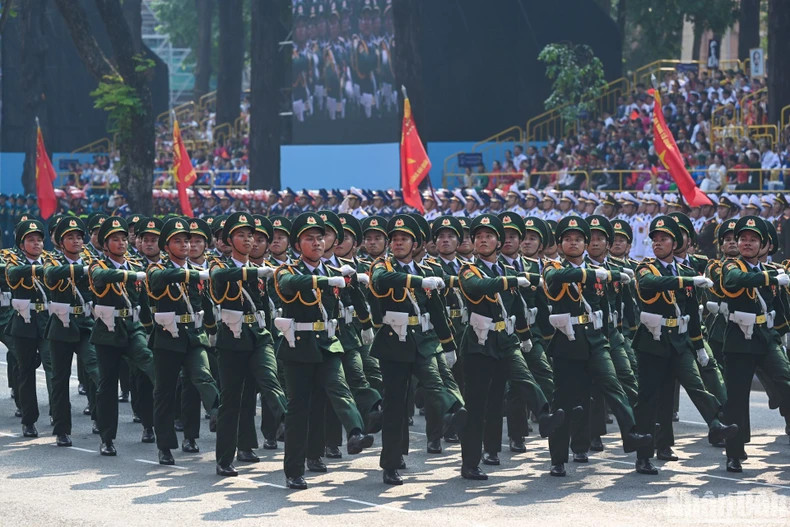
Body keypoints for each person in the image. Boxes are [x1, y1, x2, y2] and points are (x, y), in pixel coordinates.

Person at [542, 215, 652, 477]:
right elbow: (560, 277)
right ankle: (558, 458)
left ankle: (632, 434)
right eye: (567, 239)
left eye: (578, 239)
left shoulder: (599, 274)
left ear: (585, 243)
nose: (573, 243)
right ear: (559, 243)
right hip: (567, 344)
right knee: (565, 401)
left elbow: (604, 307)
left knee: (615, 387)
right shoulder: (551, 266)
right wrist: (595, 273)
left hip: (595, 339)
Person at [273, 212, 375, 489]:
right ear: (297, 245)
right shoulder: (287, 270)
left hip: (329, 343)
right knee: (300, 408)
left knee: (338, 388)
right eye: (309, 239)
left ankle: (354, 433)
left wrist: (366, 322)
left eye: (320, 238)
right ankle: (294, 470)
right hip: (298, 346)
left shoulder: (334, 271)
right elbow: (288, 286)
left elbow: (353, 296)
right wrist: (324, 281)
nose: (317, 243)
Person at [457, 213, 563, 480]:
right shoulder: (469, 270)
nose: (483, 240)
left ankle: (544, 416)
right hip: (479, 344)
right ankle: (470, 462)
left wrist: (526, 336)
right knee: (479, 404)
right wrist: (512, 280)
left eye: (489, 236)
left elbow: (516, 308)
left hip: (506, 339)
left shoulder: (508, 271)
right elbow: (479, 287)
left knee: (525, 379)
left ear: (498, 241)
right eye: (479, 236)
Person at [632, 215, 737, 475]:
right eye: (654, 239)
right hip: (652, 342)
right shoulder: (646, 267)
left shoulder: (687, 272)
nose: (657, 243)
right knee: (649, 398)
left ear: (675, 242)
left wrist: (699, 346)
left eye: (664, 239)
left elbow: (690, 313)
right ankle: (643, 454)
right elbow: (649, 284)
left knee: (693, 384)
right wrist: (686, 281)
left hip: (679, 341)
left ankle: (715, 422)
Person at [369, 214, 467, 485]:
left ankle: (453, 413)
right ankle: (391, 462)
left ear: (415, 244)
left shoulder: (427, 271)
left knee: (434, 384)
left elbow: (437, 312)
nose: (398, 243)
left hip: (423, 340)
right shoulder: (382, 265)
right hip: (393, 341)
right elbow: (382, 280)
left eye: (404, 239)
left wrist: (448, 345)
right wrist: (416, 282)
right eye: (395, 239)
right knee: (395, 405)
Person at [210, 212, 288, 477]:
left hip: (259, 335)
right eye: (241, 235)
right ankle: (224, 457)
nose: (248, 240)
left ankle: (286, 418)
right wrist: (253, 271)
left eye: (251, 236)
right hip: (232, 339)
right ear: (229, 240)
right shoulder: (217, 265)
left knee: (270, 378)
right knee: (232, 400)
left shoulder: (260, 270)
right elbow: (222, 279)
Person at [719, 215, 790, 472]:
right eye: (743, 239)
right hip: (739, 339)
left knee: (785, 381)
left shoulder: (771, 271)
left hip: (766, 337)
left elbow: (779, 308)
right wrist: (771, 280)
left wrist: (784, 332)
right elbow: (735, 281)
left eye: (753, 239)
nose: (747, 243)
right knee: (736, 400)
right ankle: (734, 453)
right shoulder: (730, 266)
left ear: (764, 245)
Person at [146, 218, 220, 465]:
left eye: (187, 240)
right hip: (168, 336)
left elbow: (206, 303)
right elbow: (161, 280)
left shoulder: (198, 272)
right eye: (178, 241)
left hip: (194, 334)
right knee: (165, 392)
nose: (185, 245)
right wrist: (194, 273)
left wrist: (212, 331)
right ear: (166, 246)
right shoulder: (156, 269)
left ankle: (211, 417)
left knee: (200, 377)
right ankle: (165, 446)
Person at [88, 217, 156, 455]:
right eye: (115, 239)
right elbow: (101, 278)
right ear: (105, 245)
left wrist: (150, 329)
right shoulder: (97, 265)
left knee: (147, 370)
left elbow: (144, 302)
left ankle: (149, 424)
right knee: (107, 385)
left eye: (124, 239)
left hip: (133, 325)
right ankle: (107, 438)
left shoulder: (136, 264)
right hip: (107, 330)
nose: (121, 243)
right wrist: (130, 276)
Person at [43, 217, 101, 445]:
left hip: (86, 324)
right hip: (61, 324)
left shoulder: (93, 260)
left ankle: (99, 418)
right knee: (59, 379)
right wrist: (81, 269)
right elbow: (50, 276)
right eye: (70, 237)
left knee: (95, 370)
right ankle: (62, 429)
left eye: (79, 236)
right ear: (61, 241)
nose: (76, 241)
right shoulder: (51, 260)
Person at [6, 219, 53, 438]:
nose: (36, 244)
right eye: (30, 240)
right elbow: (12, 274)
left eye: (39, 240)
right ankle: (29, 419)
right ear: (21, 243)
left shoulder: (52, 261)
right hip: (23, 321)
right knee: (26, 372)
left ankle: (58, 415)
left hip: (47, 321)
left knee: (53, 368)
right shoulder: (12, 263)